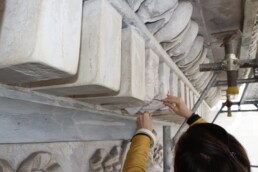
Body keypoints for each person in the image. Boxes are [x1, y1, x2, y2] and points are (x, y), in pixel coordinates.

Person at [122, 95, 250, 172]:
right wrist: (190, 116)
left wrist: (144, 134)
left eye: (174, 151)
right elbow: (214, 146)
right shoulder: (237, 165)